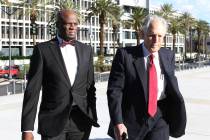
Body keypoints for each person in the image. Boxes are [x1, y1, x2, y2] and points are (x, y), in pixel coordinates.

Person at [21, 9, 99, 140]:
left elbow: (90, 87)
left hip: (81, 122)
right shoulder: (42, 50)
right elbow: (32, 91)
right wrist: (27, 129)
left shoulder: (87, 50)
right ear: (57, 25)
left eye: (75, 23)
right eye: (68, 23)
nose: (72, 27)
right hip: (52, 121)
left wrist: (92, 115)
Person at [107, 15, 186, 140]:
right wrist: (118, 122)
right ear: (142, 34)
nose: (156, 40)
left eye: (160, 36)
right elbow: (115, 91)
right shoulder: (125, 55)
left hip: (160, 118)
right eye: (151, 35)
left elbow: (170, 86)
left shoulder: (168, 55)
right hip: (132, 121)